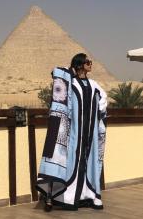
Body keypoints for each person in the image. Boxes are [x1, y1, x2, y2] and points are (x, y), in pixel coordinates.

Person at [36, 53, 107, 211]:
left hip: (89, 135)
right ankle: (64, 197)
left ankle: (89, 195)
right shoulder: (70, 83)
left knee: (88, 163)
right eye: (88, 62)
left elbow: (103, 100)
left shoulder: (94, 85)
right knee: (70, 162)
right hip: (73, 133)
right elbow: (57, 74)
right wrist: (71, 72)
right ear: (81, 64)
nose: (91, 64)